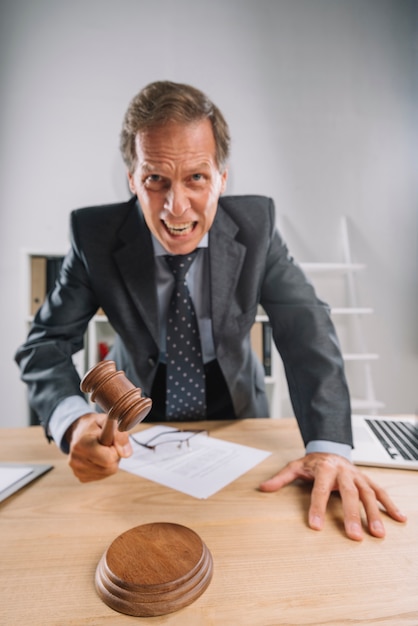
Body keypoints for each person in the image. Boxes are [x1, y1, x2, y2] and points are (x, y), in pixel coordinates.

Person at [15, 80, 406, 541]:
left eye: (196, 177)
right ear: (132, 180)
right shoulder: (94, 236)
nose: (174, 207)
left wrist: (329, 448)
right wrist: (74, 421)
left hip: (237, 410)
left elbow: (306, 328)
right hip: (131, 422)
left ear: (222, 177)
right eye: (155, 179)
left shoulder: (256, 226)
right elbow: (44, 345)